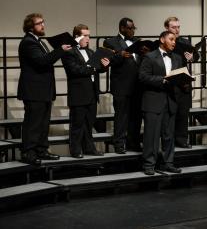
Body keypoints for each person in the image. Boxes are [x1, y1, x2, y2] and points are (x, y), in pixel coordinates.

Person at [17, 13, 71, 165]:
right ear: (30, 27)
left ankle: (41, 150)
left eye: (43, 22)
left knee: (43, 123)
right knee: (33, 124)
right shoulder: (28, 42)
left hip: (43, 90)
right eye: (39, 23)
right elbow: (42, 61)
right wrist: (60, 50)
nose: (43, 25)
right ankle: (29, 152)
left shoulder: (38, 41)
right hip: (34, 91)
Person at [62, 24, 110, 158]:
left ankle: (89, 148)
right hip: (78, 94)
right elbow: (75, 70)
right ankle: (75, 150)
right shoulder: (69, 52)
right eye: (86, 35)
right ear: (77, 37)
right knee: (77, 124)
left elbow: (97, 68)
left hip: (91, 94)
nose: (88, 38)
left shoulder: (90, 52)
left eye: (89, 35)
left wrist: (105, 66)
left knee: (89, 124)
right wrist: (93, 68)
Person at [139, 31, 183, 175]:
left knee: (168, 135)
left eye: (175, 40)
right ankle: (149, 164)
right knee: (151, 135)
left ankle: (168, 163)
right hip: (153, 101)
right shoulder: (150, 56)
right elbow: (143, 77)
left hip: (170, 101)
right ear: (162, 39)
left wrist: (186, 81)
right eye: (171, 39)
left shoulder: (177, 58)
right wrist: (161, 80)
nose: (174, 42)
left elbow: (179, 77)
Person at [103, 18, 142, 153]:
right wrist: (120, 55)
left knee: (136, 116)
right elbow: (107, 61)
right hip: (121, 86)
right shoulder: (110, 42)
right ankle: (119, 144)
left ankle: (134, 143)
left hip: (137, 85)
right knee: (121, 116)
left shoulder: (137, 42)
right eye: (130, 28)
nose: (132, 31)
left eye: (133, 28)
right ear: (122, 28)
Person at [164, 17, 200, 148]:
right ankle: (169, 141)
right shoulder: (163, 42)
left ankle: (182, 139)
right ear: (167, 28)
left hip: (183, 83)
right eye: (173, 27)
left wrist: (192, 57)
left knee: (183, 113)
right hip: (169, 81)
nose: (177, 29)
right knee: (170, 114)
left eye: (178, 27)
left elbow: (196, 56)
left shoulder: (185, 42)